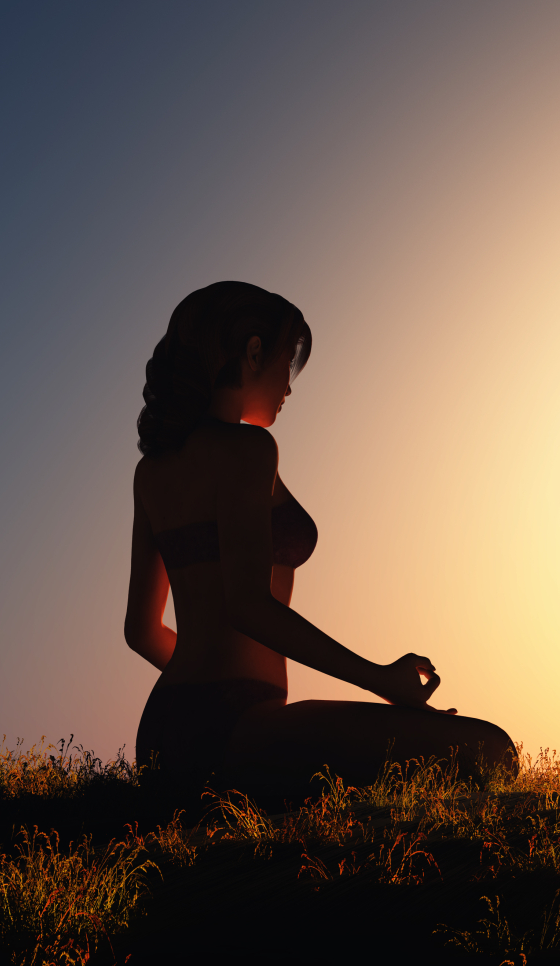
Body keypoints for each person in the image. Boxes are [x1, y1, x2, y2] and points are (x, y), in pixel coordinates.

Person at [124, 280, 516, 796]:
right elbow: (247, 604)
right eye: (288, 364)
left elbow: (141, 631)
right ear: (254, 351)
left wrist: (204, 683)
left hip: (164, 730)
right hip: (237, 728)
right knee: (490, 750)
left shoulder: (153, 472)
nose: (288, 387)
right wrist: (379, 679)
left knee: (468, 751)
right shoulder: (250, 451)